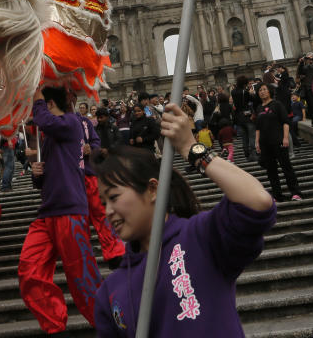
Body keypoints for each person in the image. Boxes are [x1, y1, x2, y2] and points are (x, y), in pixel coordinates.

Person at [93, 103, 276, 336]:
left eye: (114, 197)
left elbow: (257, 202)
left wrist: (192, 148)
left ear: (152, 190)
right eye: (102, 202)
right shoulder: (110, 291)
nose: (108, 210)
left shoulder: (200, 236)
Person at [18, 86, 102, 334]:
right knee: (28, 270)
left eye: (43, 105)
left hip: (70, 212)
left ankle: (110, 325)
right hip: (47, 214)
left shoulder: (71, 122)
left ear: (50, 103)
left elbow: (43, 119)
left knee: (83, 280)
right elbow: (47, 177)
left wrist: (37, 98)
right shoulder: (52, 136)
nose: (37, 113)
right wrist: (37, 173)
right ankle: (54, 325)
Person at [80, 112, 127, 268]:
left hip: (89, 175)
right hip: (69, 179)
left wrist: (91, 148)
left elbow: (95, 142)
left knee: (101, 214)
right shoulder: (53, 125)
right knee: (79, 222)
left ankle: (114, 252)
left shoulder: (84, 122)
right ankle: (84, 257)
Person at [254, 84, 302, 202]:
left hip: (278, 140)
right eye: (260, 90)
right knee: (271, 171)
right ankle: (277, 195)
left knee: (286, 167)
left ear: (269, 91)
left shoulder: (277, 104)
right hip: (265, 143)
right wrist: (257, 142)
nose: (262, 92)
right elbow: (258, 128)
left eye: (264, 89)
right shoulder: (259, 108)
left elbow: (285, 122)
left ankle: (295, 192)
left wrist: (286, 138)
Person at [231, 76, 256, 161]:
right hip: (247, 116)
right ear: (244, 83)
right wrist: (251, 93)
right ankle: (253, 153)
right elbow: (253, 99)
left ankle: (246, 154)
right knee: (252, 135)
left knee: (244, 136)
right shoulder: (245, 92)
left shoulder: (233, 91)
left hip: (238, 117)